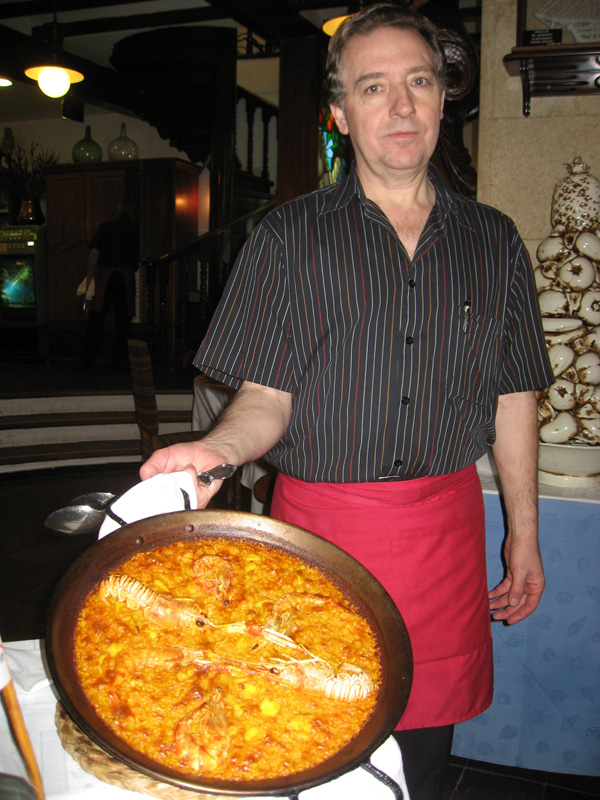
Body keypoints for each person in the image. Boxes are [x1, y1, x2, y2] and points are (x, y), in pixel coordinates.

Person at [139, 5, 554, 799]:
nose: (401, 106)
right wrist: (219, 449)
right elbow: (265, 397)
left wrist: (523, 537)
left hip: (446, 535)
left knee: (422, 761)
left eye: (418, 82)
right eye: (373, 87)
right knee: (306, 741)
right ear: (340, 112)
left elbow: (512, 395)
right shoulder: (286, 238)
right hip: (322, 538)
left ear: (443, 99)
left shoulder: (495, 240)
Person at [79, 198, 140, 370]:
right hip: (125, 278)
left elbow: (94, 254)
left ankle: (87, 359)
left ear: (118, 210)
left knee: (96, 318)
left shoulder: (105, 227)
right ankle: (120, 361)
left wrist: (89, 277)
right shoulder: (135, 229)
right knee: (123, 321)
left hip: (105, 277)